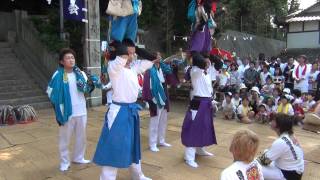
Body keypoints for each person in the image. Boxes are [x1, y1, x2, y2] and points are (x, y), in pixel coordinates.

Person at [93, 43, 155, 180]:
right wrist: (121, 46)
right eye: (129, 53)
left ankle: (137, 175)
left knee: (133, 144)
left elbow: (151, 60)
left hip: (131, 111)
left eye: (134, 53)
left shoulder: (133, 68)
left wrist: (137, 48)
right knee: (113, 145)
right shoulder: (114, 67)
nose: (132, 56)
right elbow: (121, 59)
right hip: (118, 112)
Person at [47, 48, 97, 171]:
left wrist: (89, 85)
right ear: (62, 62)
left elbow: (88, 88)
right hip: (66, 112)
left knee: (82, 136)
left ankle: (78, 157)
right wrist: (58, 106)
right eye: (68, 58)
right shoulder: (57, 75)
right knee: (65, 138)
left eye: (72, 58)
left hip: (81, 110)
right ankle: (64, 162)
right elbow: (50, 92)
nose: (71, 60)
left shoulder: (80, 73)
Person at [181, 53, 217, 168]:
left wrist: (212, 100)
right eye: (206, 62)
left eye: (208, 62)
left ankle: (200, 149)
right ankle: (189, 157)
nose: (208, 63)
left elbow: (208, 89)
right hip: (197, 103)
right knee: (193, 128)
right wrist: (198, 59)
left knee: (204, 127)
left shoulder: (206, 73)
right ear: (199, 62)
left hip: (206, 102)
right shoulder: (194, 71)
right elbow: (198, 65)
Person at [257, 114, 304, 180]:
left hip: (288, 175)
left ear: (279, 125)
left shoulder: (281, 141)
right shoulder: (291, 136)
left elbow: (264, 161)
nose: (271, 121)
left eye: (273, 120)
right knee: (267, 151)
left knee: (253, 168)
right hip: (295, 172)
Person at [142, 53, 173, 152]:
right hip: (154, 96)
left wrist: (162, 63)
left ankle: (161, 140)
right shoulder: (149, 70)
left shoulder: (161, 68)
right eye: (158, 56)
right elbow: (147, 85)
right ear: (154, 58)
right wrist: (150, 99)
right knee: (155, 120)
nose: (160, 57)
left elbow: (169, 71)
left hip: (163, 95)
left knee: (163, 119)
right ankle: (152, 143)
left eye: (160, 56)